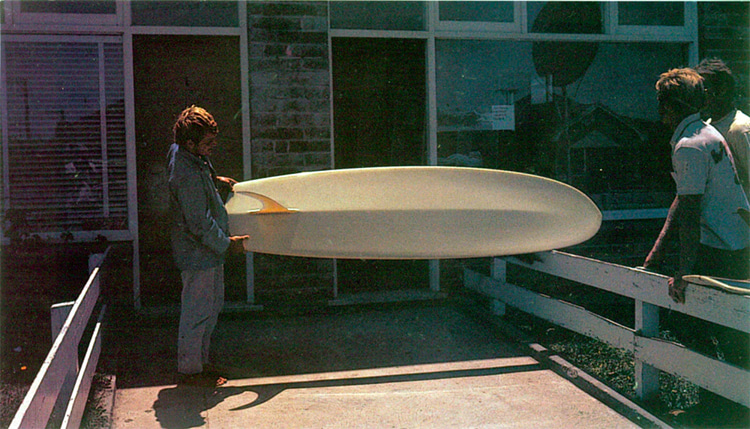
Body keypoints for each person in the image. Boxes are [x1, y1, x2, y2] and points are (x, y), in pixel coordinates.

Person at [642, 68, 750, 303]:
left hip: (719, 249)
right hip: (735, 241)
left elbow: (690, 213)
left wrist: (684, 273)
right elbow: (682, 199)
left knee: (697, 326)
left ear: (670, 105)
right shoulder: (706, 132)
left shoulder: (689, 146)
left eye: (661, 101)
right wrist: (655, 254)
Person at [167, 105, 249, 386]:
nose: (213, 147)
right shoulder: (185, 171)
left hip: (207, 253)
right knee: (198, 312)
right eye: (207, 143)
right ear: (190, 143)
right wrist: (227, 244)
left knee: (210, 308)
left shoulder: (188, 155)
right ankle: (191, 372)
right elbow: (198, 222)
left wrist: (215, 180)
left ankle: (200, 365)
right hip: (198, 253)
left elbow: (198, 182)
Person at [695, 58, 750, 200]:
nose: (700, 96)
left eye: (705, 90)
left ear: (722, 90)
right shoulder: (708, 126)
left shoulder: (740, 129)